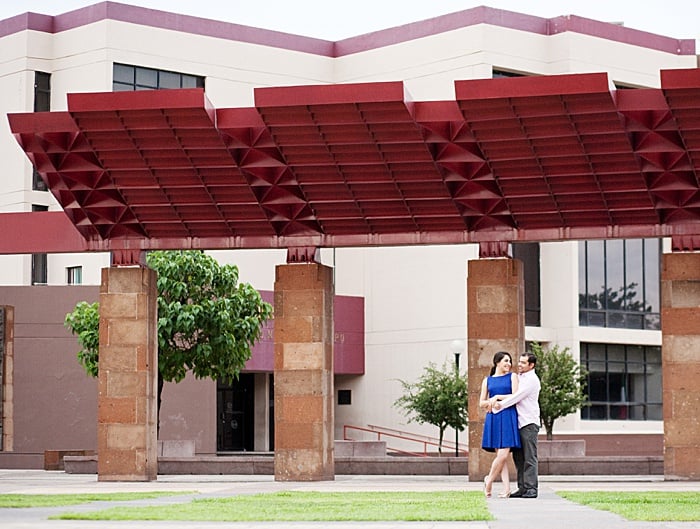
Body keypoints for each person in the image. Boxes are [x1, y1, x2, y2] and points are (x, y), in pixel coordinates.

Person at [493, 352, 541, 499]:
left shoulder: (532, 379)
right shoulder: (519, 377)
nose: (519, 364)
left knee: (529, 457)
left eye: (523, 363)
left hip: (528, 423)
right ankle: (522, 487)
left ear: (531, 365)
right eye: (519, 362)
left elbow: (517, 396)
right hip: (517, 422)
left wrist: (498, 405)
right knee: (519, 458)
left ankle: (531, 488)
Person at [479, 351, 520, 498]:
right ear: (497, 362)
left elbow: (516, 395)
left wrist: (497, 398)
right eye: (506, 361)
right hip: (494, 418)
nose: (509, 364)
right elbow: (481, 402)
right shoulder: (487, 380)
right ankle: (506, 489)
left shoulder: (513, 377)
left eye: (510, 361)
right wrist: (490, 403)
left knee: (503, 455)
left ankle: (488, 480)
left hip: (508, 416)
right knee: (500, 456)